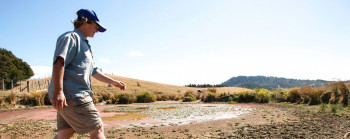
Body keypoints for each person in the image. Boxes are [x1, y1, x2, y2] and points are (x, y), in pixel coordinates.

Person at [48, 9, 126, 139]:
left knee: (65, 132)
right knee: (97, 129)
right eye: (96, 26)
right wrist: (58, 92)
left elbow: (94, 71)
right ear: (86, 22)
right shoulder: (71, 38)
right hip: (74, 95)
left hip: (68, 97)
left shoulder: (85, 45)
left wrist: (113, 82)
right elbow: (58, 62)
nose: (97, 30)